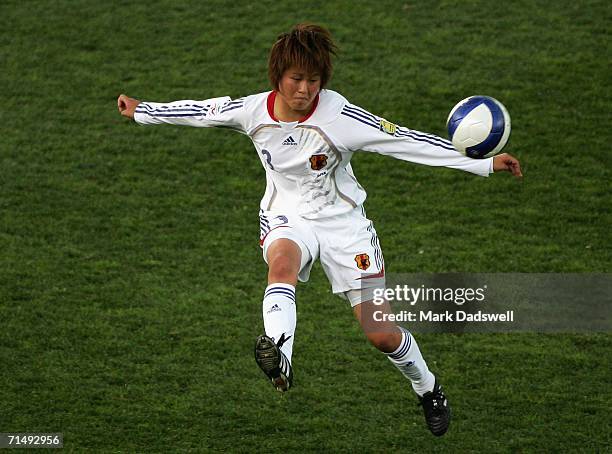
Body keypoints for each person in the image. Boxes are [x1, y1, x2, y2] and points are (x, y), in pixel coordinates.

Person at [117, 23, 522, 437]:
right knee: (282, 263)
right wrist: (142, 109)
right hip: (286, 215)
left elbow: (404, 140)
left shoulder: (340, 117)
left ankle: (428, 387)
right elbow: (204, 111)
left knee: (381, 334)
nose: (305, 89)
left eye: (313, 80)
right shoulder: (253, 112)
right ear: (278, 77)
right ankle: (280, 355)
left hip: (344, 228)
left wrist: (483, 163)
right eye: (296, 79)